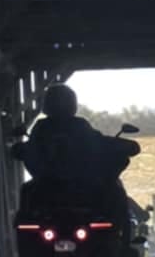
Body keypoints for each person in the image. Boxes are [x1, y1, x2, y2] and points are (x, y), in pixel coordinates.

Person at [11, 84, 139, 237]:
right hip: (84, 188)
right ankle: (123, 242)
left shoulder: (42, 128)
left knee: (26, 195)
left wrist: (19, 149)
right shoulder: (79, 126)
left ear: (46, 105)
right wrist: (125, 145)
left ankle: (25, 251)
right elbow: (99, 142)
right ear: (73, 104)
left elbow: (30, 148)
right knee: (115, 192)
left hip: (47, 188)